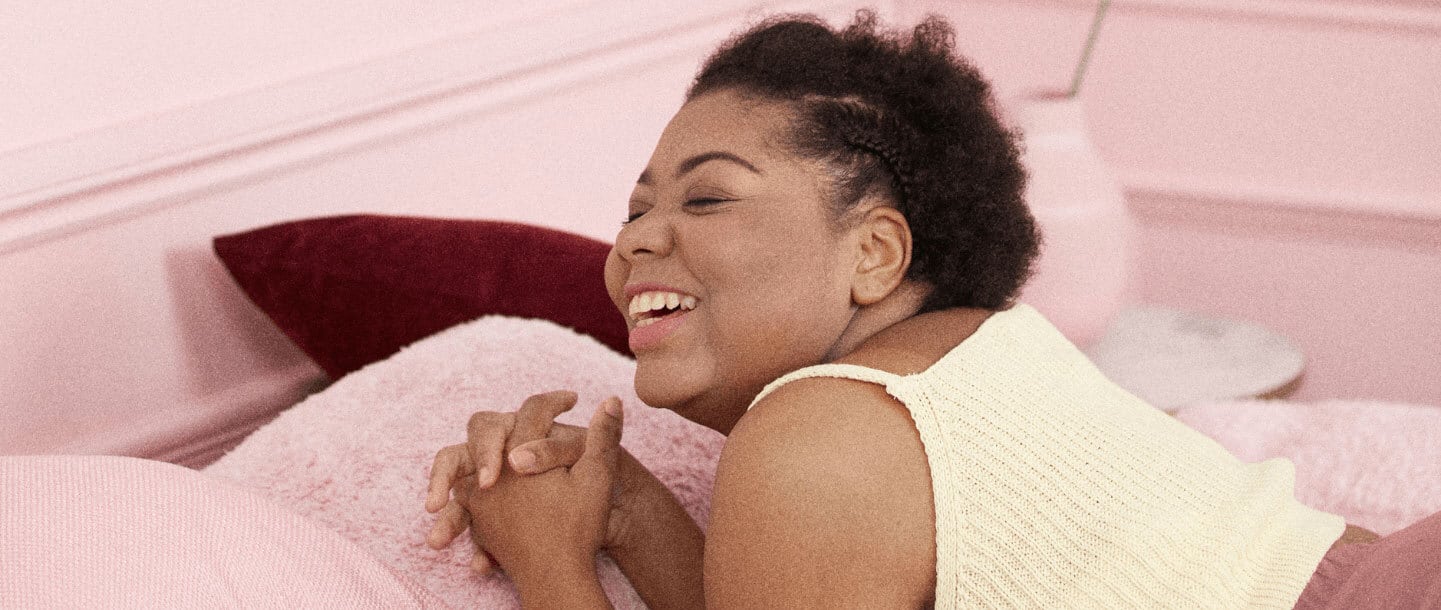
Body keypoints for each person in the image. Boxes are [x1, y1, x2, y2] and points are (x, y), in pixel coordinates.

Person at [423, 11, 1441, 609]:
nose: (638, 237)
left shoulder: (814, 431)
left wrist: (552, 564)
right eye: (635, 207)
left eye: (706, 196)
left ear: (873, 253)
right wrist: (627, 505)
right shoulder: (984, 351)